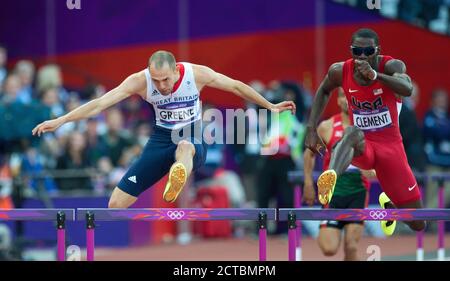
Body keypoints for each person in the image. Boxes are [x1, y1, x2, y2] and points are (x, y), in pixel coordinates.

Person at [32, 50, 296, 208]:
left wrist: (269, 105)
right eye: (156, 80)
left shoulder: (196, 74)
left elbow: (237, 86)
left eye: (166, 79)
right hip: (160, 139)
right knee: (115, 203)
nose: (162, 86)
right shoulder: (140, 81)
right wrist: (61, 121)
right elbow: (100, 104)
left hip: (191, 133)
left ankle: (178, 174)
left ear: (176, 69)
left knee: (185, 146)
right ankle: (174, 172)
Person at [304, 28, 426, 236]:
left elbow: (407, 89)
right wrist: (311, 129)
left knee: (419, 223)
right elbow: (324, 90)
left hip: (391, 150)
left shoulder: (391, 65)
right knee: (352, 132)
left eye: (368, 51)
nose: (362, 56)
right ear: (351, 51)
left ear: (377, 50)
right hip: (364, 147)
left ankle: (390, 204)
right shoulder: (339, 71)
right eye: (356, 51)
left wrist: (376, 75)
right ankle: (330, 176)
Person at [303, 88, 375, 260]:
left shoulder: (368, 129)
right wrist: (307, 183)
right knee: (329, 248)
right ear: (338, 100)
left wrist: (371, 170)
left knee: (351, 246)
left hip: (357, 192)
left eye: (351, 97)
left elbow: (379, 160)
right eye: (343, 96)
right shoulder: (327, 127)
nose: (346, 100)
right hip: (332, 193)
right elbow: (310, 154)